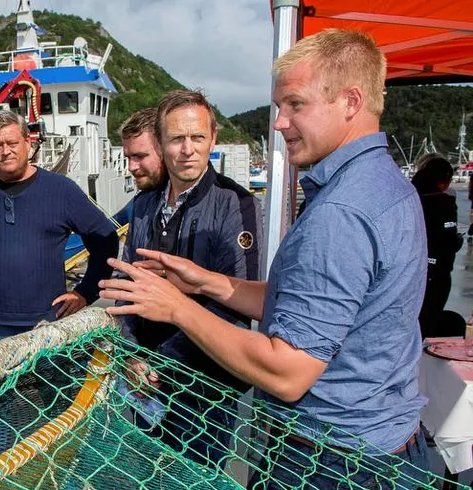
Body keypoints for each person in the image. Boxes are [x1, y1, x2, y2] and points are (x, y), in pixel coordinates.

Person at [101, 29, 430, 487]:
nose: (278, 123)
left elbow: (288, 371)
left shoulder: (339, 213)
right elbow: (309, 304)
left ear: (351, 101)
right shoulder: (388, 186)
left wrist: (177, 306)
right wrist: (205, 282)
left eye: (295, 104)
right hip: (386, 441)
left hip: (331, 460)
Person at [119, 94, 262, 469]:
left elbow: (235, 300)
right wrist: (131, 354)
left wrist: (160, 365)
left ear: (212, 139)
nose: (187, 150)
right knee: (142, 472)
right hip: (143, 380)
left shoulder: (236, 203)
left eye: (197, 138)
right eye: (176, 140)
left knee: (193, 475)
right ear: (162, 143)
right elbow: (128, 282)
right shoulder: (146, 205)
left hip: (203, 390)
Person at [0, 110, 119, 348]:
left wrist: (85, 292)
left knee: (51, 386)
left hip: (49, 324)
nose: (5, 151)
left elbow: (105, 238)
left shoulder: (61, 190)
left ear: (27, 143)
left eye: (12, 143)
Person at [412, 153, 463, 338]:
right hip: (436, 273)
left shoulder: (410, 197)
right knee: (429, 320)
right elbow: (446, 241)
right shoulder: (444, 203)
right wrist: (456, 241)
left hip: (414, 271)